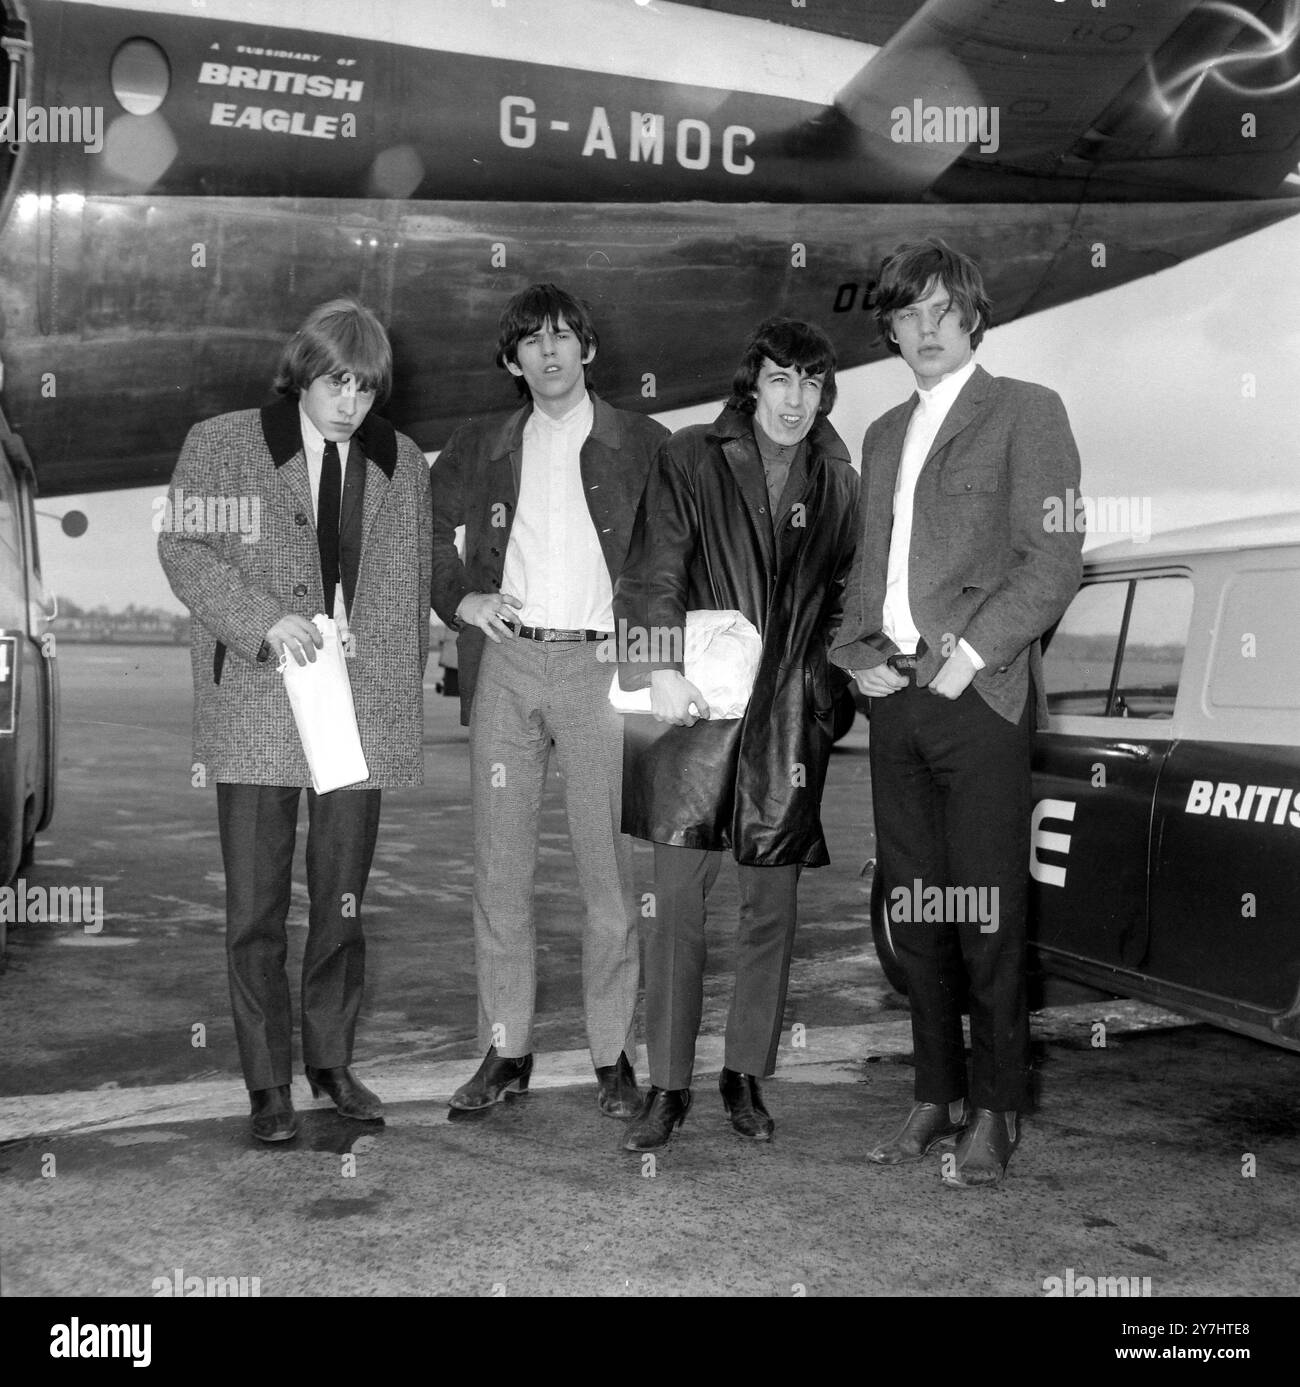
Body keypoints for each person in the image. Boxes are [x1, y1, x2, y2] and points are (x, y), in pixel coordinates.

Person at [831, 238, 1083, 1186]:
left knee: (989, 917)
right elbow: (867, 579)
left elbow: (1054, 559)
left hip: (978, 697)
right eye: (906, 315)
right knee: (918, 914)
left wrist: (970, 653)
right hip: (894, 705)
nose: (925, 330)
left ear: (973, 316)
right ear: (889, 329)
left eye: (942, 311)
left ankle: (999, 1109)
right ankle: (933, 1096)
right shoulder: (882, 434)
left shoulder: (1028, 412)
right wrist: (857, 658)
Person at [159, 298, 432, 1143]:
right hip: (260, 698)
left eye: (364, 387)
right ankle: (267, 1083)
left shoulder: (403, 459)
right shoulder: (226, 442)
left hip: (362, 711)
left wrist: (394, 675)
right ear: (302, 374)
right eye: (335, 382)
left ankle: (330, 1062)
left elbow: (412, 578)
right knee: (256, 909)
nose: (350, 402)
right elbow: (182, 546)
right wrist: (260, 621)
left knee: (342, 902)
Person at [614, 317, 859, 1152]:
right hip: (692, 708)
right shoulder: (690, 455)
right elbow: (649, 571)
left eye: (813, 383)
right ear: (752, 381)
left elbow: (843, 602)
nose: (796, 399)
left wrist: (828, 689)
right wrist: (657, 670)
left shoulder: (841, 479)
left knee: (771, 910)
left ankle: (744, 1073)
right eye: (782, 379)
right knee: (677, 905)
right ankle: (669, 1084)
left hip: (790, 716)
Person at [430, 283, 668, 1118]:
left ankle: (613, 1056)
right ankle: (506, 1049)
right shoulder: (480, 445)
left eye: (565, 336)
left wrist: (649, 651)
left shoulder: (644, 442)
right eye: (532, 341)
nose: (551, 351)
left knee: (608, 871)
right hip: (509, 667)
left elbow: (676, 556)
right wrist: (461, 598)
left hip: (599, 673)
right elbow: (422, 529)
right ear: (512, 361)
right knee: (499, 871)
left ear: (589, 349)